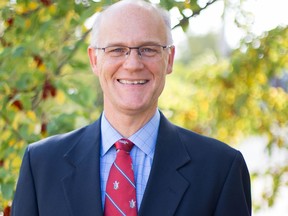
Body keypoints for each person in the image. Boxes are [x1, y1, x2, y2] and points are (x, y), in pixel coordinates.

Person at [12, 0, 251, 215]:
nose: (133, 64)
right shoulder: (41, 165)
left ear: (169, 59)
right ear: (95, 60)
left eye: (148, 49)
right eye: (117, 49)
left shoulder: (221, 169)